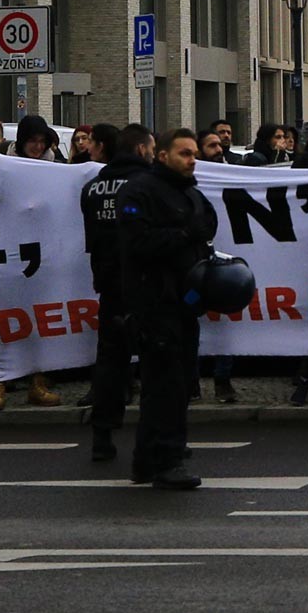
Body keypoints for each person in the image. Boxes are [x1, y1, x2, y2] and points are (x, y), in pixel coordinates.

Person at [116, 128, 215, 489]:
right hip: (154, 303)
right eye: (184, 154)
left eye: (193, 154)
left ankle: (149, 459)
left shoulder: (191, 193)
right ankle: (166, 460)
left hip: (184, 302)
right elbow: (137, 242)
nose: (192, 160)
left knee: (179, 382)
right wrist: (184, 236)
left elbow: (206, 228)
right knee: (165, 385)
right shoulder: (140, 192)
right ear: (162, 156)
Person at [82, 125, 155, 462]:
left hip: (110, 284)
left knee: (110, 362)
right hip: (147, 283)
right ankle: (157, 436)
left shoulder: (93, 188)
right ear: (140, 149)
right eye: (151, 148)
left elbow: (92, 240)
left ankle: (102, 434)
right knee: (159, 361)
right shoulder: (151, 185)